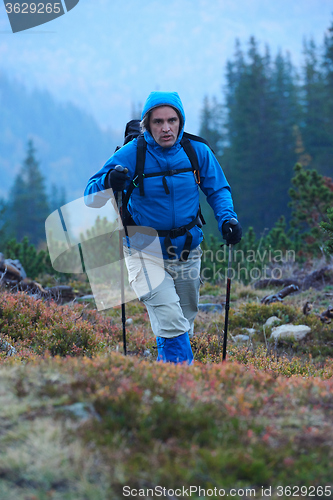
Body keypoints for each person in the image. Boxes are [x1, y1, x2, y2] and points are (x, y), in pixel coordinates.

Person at [84, 91, 242, 365]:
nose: (166, 128)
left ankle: (166, 375)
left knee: (183, 319)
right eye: (158, 122)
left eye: (172, 120)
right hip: (143, 250)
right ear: (147, 124)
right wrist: (109, 180)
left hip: (187, 251)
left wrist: (227, 219)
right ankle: (182, 381)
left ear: (181, 121)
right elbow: (90, 195)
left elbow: (218, 190)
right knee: (170, 317)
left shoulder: (197, 151)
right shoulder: (133, 153)